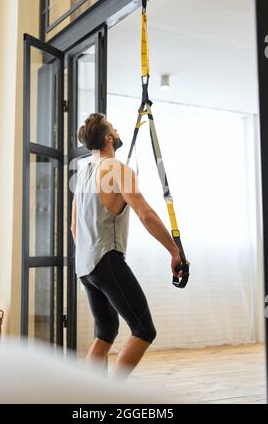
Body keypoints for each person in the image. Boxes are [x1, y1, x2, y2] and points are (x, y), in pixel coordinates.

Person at [71, 113, 181, 380]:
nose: (117, 131)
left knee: (105, 332)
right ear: (108, 138)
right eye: (113, 128)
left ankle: (89, 396)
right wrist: (174, 251)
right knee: (144, 330)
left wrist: (91, 260)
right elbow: (146, 214)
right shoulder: (118, 170)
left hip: (85, 267)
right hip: (106, 259)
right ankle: (111, 396)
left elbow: (75, 228)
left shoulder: (84, 172)